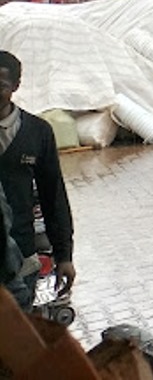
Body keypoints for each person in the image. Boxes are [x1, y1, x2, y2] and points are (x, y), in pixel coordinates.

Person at [0, 49, 75, 308]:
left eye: (1, 85)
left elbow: (53, 195)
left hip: (21, 257)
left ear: (16, 86)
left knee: (19, 337)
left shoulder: (37, 133)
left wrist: (63, 255)